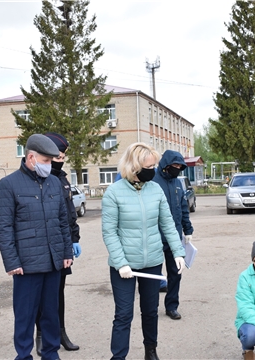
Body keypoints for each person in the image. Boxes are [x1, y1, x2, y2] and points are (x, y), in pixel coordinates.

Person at [101, 142, 186, 360]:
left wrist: (178, 251)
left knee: (150, 312)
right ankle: (118, 356)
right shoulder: (114, 193)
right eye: (150, 166)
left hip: (152, 262)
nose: (154, 170)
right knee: (123, 315)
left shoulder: (155, 189)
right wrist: (121, 263)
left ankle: (151, 351)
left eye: (155, 165)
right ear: (135, 166)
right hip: (124, 267)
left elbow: (167, 222)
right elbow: (109, 232)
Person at [0, 134, 73, 360]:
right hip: (26, 266)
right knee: (25, 316)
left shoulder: (54, 183)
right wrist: (12, 262)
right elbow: (4, 228)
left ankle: (51, 354)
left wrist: (66, 252)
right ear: (31, 157)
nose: (51, 165)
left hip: (53, 262)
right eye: (47, 161)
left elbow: (62, 221)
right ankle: (23, 356)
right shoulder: (9, 185)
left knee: (51, 314)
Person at [33, 132, 81, 356]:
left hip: (62, 247)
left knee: (58, 292)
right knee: (40, 295)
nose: (60, 161)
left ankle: (60, 332)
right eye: (57, 156)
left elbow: (69, 214)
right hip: (41, 248)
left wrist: (74, 239)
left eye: (63, 157)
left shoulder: (61, 179)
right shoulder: (37, 178)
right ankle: (41, 333)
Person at [152, 150, 194, 320]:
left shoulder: (178, 183)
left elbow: (183, 207)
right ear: (166, 165)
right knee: (154, 274)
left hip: (174, 237)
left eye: (179, 166)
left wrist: (188, 229)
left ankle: (172, 306)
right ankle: (151, 306)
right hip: (155, 236)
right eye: (174, 165)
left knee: (176, 272)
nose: (177, 169)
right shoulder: (153, 181)